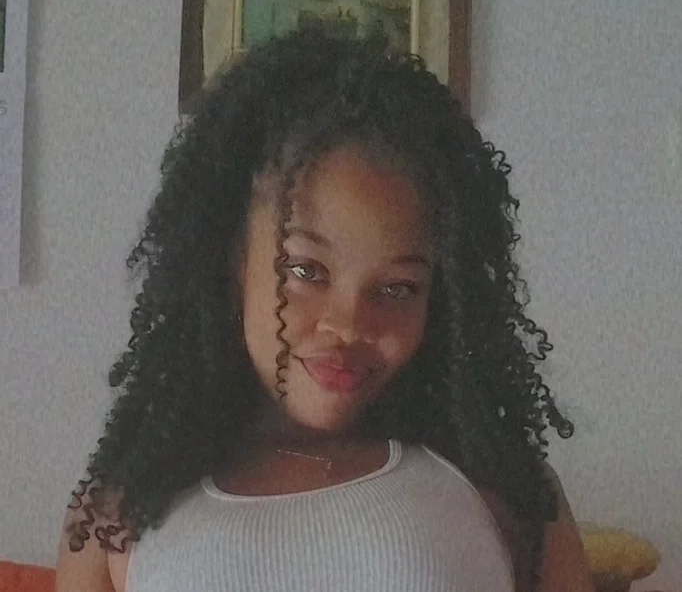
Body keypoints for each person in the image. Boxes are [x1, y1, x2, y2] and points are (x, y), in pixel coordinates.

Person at [56, 30, 595, 592]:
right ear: (232, 259)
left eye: (398, 288)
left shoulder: (505, 493)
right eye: (306, 271)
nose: (348, 325)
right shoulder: (115, 517)